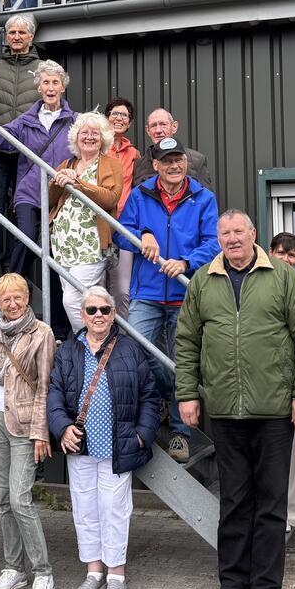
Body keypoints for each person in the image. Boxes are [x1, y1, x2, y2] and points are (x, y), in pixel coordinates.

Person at [174, 210, 295, 589]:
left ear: (253, 234)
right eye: (225, 233)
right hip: (225, 410)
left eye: (239, 231)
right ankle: (232, 585)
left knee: (271, 503)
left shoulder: (282, 276)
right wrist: (187, 393)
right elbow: (186, 340)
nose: (232, 238)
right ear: (218, 238)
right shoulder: (204, 280)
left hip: (276, 410)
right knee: (235, 501)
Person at [46, 286, 161, 589]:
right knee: (85, 510)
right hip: (80, 445)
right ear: (82, 315)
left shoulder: (129, 350)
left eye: (105, 310)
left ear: (114, 315)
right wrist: (62, 427)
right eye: (92, 310)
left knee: (114, 510)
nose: (98, 316)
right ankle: (93, 572)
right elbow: (54, 394)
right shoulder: (68, 350)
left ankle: (116, 575)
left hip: (118, 447)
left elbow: (150, 396)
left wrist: (142, 435)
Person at [115, 136, 219, 463]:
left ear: (186, 162)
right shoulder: (140, 194)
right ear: (156, 165)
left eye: (179, 159)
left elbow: (214, 242)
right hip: (146, 292)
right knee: (135, 348)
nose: (174, 165)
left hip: (184, 293)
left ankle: (179, 431)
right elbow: (120, 233)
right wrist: (143, 232)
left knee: (182, 362)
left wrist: (186, 262)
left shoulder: (203, 198)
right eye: (167, 160)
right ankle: (163, 395)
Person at [0, 60, 75, 299]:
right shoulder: (26, 121)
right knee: (25, 236)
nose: (51, 87)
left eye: (55, 82)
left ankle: (58, 320)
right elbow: (1, 138)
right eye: (46, 82)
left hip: (62, 195)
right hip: (30, 191)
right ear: (39, 88)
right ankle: (12, 285)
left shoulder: (74, 121)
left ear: (62, 86)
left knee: (56, 254)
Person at [0, 273, 57, 589]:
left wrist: (41, 431)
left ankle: (43, 572)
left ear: (28, 297)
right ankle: (14, 568)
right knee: (2, 498)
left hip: (24, 423)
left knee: (20, 499)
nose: (12, 304)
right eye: (5, 299)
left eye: (18, 297)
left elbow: (44, 386)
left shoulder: (42, 333)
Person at [0, 15, 42, 281]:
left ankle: (13, 266)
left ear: (31, 36)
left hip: (29, 155)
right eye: (11, 32)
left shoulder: (44, 69)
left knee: (22, 211)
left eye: (21, 32)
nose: (15, 36)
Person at [49, 111, 124, 327]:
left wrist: (78, 183)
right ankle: (101, 344)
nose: (89, 137)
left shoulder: (111, 164)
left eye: (95, 133)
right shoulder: (66, 164)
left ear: (103, 139)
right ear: (76, 138)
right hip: (63, 245)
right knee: (93, 298)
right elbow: (48, 199)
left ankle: (89, 342)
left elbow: (110, 198)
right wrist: (58, 182)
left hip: (91, 245)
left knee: (73, 300)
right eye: (84, 133)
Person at [269, 230, 295, 544]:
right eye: (280, 252)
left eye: (291, 254)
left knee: (293, 456)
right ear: (270, 252)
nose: (285, 258)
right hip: (263, 387)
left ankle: (289, 518)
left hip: (292, 386)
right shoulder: (256, 281)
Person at [104, 97, 140, 314]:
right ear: (107, 118)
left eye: (124, 115)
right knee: (96, 287)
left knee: (122, 290)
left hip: (124, 225)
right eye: (114, 114)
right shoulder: (96, 147)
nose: (119, 118)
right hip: (99, 223)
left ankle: (123, 339)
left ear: (129, 123)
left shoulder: (134, 154)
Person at [131, 107, 213, 189]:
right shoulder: (138, 166)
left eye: (163, 124)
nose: (158, 130)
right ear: (148, 131)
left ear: (174, 127)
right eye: (153, 125)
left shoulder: (197, 161)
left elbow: (206, 199)